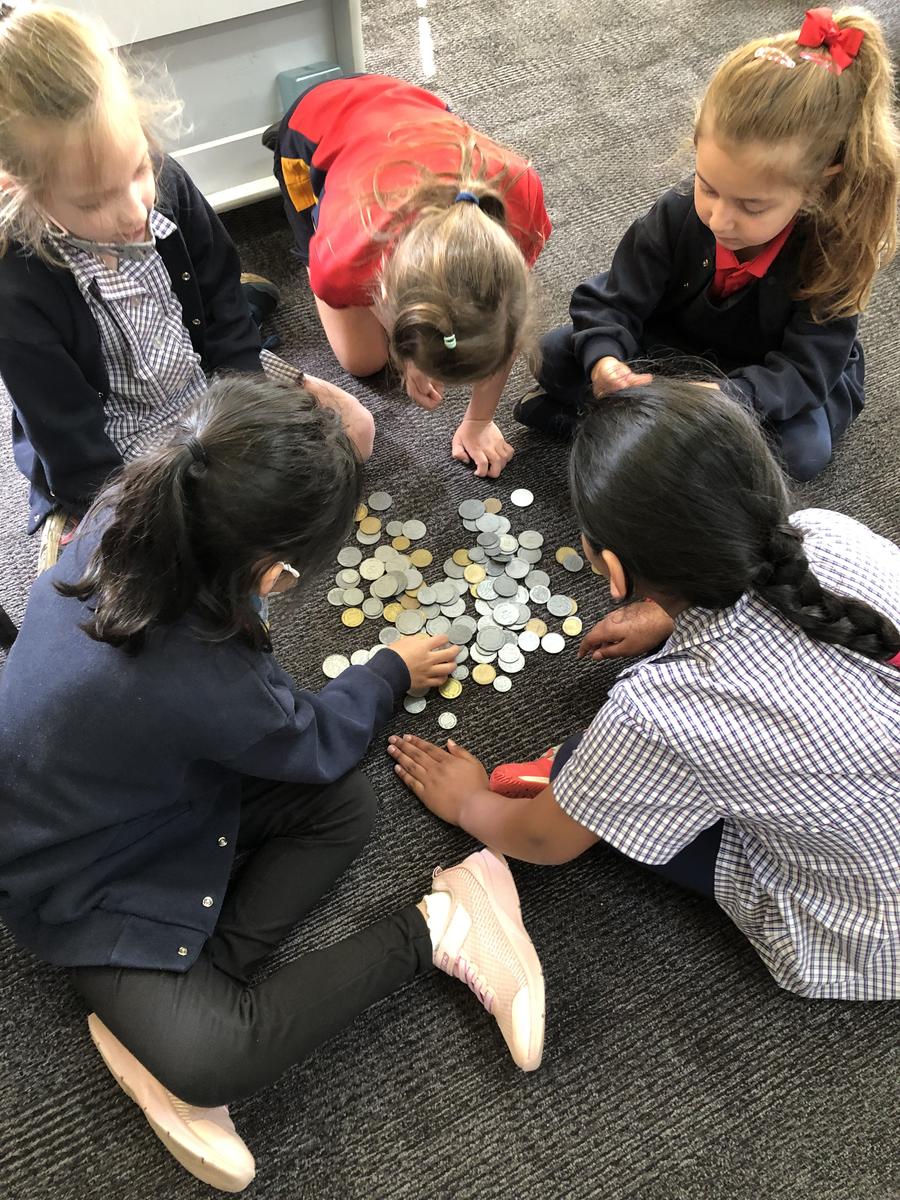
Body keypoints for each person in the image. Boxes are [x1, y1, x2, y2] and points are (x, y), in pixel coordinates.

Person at [0, 377, 545, 1194]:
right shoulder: (207, 673)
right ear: (274, 568)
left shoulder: (123, 511)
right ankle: (444, 925)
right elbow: (314, 742)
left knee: (344, 808)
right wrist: (386, 671)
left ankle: (189, 990)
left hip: (123, 801)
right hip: (75, 883)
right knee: (212, 1059)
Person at [388, 379, 900, 1001]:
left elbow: (544, 842)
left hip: (864, 935)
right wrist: (667, 614)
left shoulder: (657, 708)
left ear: (614, 571)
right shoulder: (829, 531)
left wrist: (469, 802)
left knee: (582, 769)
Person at [0, 4, 373, 545]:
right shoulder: (16, 289)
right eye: (94, 201)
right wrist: (118, 509)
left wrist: (247, 411)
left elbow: (220, 297)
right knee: (191, 547)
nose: (134, 210)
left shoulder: (168, 181)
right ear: (20, 190)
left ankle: (255, 307)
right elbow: (68, 436)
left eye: (138, 168)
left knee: (355, 431)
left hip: (207, 374)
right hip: (119, 434)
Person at [514, 6, 899, 481]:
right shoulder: (677, 212)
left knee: (802, 451)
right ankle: (665, 444)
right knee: (554, 353)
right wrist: (606, 360)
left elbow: (803, 373)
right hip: (672, 348)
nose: (719, 219)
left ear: (819, 184)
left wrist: (731, 397)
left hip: (761, 382)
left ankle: (619, 434)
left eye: (752, 206)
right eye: (708, 187)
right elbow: (615, 300)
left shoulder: (833, 256)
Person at [268, 73, 552, 478]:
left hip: (414, 115)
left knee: (382, 351)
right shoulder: (344, 258)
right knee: (363, 361)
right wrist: (409, 354)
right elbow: (346, 287)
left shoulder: (522, 196)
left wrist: (479, 420)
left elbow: (505, 321)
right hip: (310, 131)